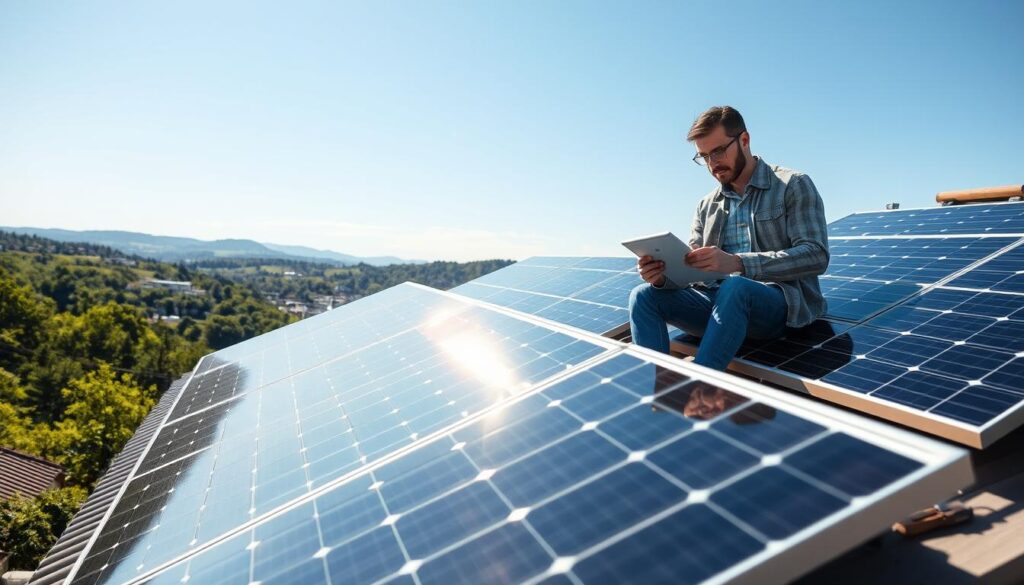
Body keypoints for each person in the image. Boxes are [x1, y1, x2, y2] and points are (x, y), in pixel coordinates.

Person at [629, 105, 829, 371]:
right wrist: (664, 276)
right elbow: (694, 273)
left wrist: (737, 263)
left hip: (779, 306)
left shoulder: (792, 185)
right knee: (643, 295)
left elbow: (816, 255)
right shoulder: (706, 205)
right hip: (717, 304)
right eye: (704, 157)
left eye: (718, 151)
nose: (713, 164)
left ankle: (699, 387)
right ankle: (651, 390)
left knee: (736, 287)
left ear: (744, 140)